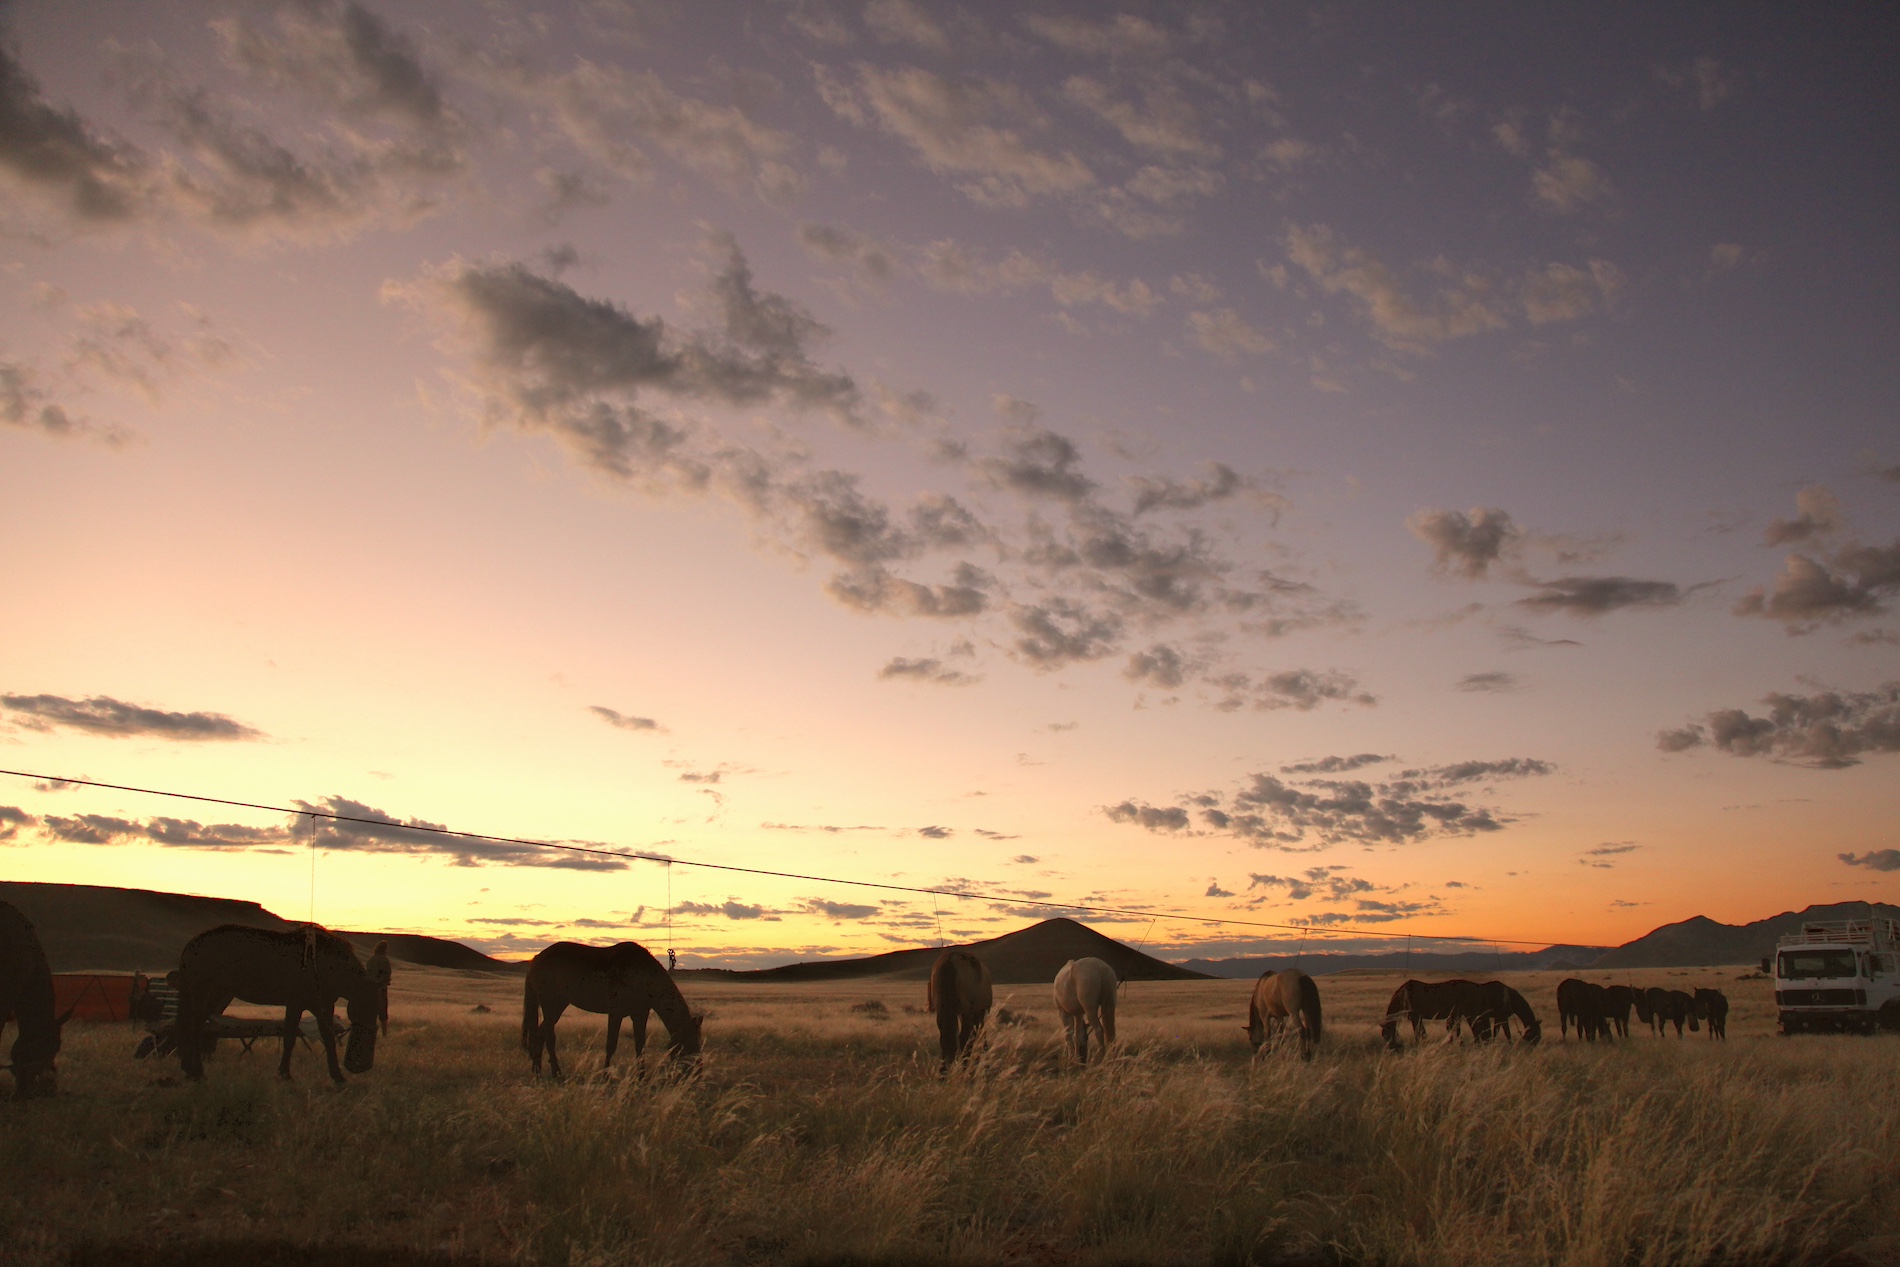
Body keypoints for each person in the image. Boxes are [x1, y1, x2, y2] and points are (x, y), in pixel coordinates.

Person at [365, 940, 393, 1035]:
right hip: (381, 988)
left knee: (371, 1011)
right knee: (383, 1012)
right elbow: (387, 973)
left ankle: (370, 1032)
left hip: (369, 988)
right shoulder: (384, 959)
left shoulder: (371, 959)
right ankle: (384, 1033)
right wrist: (385, 981)